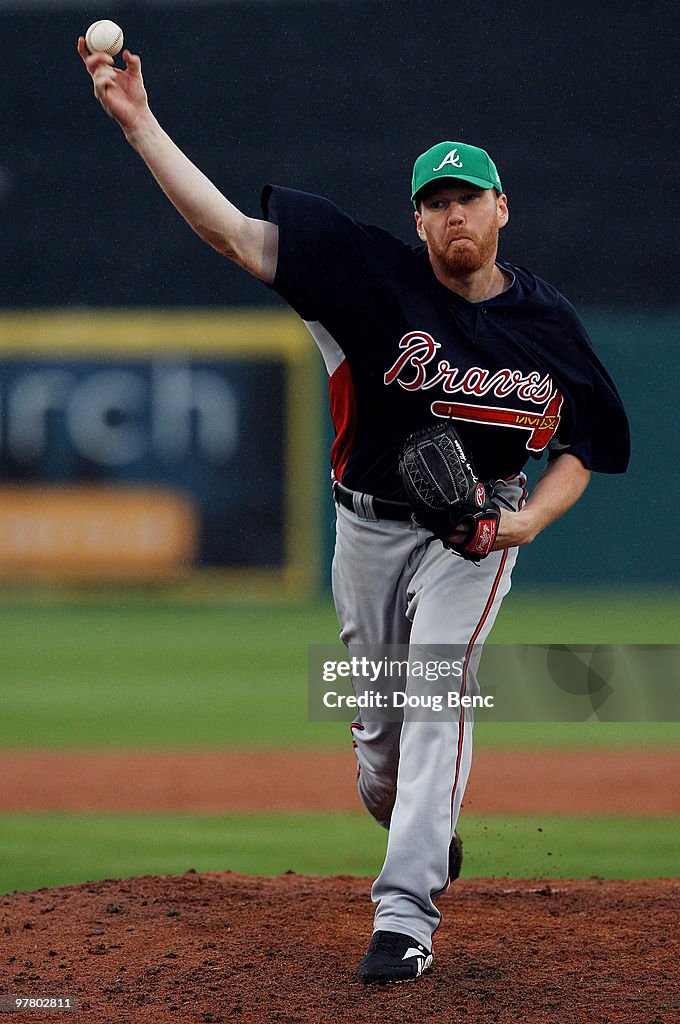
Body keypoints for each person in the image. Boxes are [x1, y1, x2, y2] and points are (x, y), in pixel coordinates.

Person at [78, 40, 630, 984]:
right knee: (379, 752)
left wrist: (522, 524)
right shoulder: (368, 280)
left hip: (475, 533)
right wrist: (137, 122)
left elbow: (589, 447)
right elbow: (231, 235)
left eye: (470, 197)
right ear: (417, 221)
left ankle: (404, 916)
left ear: (503, 209)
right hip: (367, 529)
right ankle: (419, 821)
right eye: (435, 201)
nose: (454, 212)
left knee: (434, 702)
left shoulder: (550, 328)